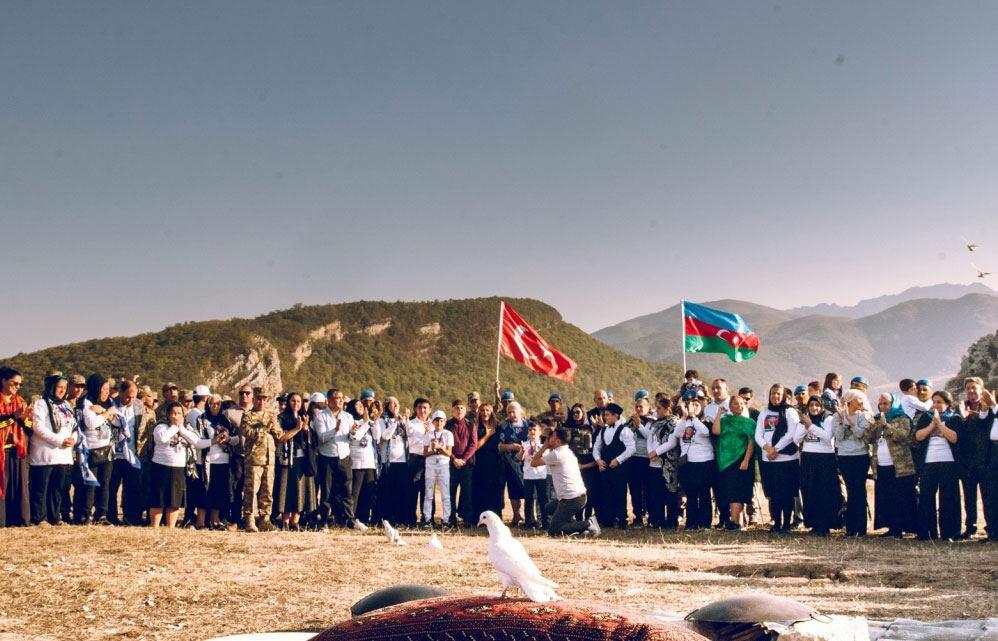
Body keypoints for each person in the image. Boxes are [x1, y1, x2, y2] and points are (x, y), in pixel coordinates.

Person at [150, 401, 214, 528]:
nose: (176, 416)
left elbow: (196, 442)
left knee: (174, 501)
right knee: (158, 499)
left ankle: (171, 527)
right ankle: (155, 526)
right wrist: (175, 427)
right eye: (173, 413)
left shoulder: (186, 428)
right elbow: (162, 439)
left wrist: (213, 441)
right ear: (168, 415)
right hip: (161, 466)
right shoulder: (161, 426)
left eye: (179, 413)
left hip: (179, 468)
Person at [863, 393, 917, 538]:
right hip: (881, 466)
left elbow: (903, 436)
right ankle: (891, 527)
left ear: (893, 403)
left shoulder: (903, 418)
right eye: (880, 404)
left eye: (886, 403)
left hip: (899, 466)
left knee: (899, 498)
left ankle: (899, 529)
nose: (882, 406)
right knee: (886, 498)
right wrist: (873, 425)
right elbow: (867, 438)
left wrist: (887, 425)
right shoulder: (877, 420)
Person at [531, 426, 599, 537]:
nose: (548, 438)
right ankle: (579, 527)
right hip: (576, 497)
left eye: (552, 436)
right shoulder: (567, 451)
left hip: (572, 499)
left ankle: (587, 524)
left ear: (557, 441)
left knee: (553, 530)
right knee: (550, 507)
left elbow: (533, 463)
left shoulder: (557, 454)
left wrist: (544, 447)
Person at [913, 391, 962, 541]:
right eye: (934, 402)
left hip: (948, 462)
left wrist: (940, 424)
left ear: (948, 403)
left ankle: (949, 533)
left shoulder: (954, 418)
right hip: (929, 462)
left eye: (939, 402)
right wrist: (931, 426)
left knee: (948, 497)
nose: (936, 405)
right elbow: (918, 436)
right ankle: (927, 532)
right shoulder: (926, 417)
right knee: (926, 496)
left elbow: (954, 438)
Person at [29, 373, 76, 526]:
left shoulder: (67, 405)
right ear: (51, 387)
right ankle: (39, 518)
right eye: (59, 387)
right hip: (45, 454)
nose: (62, 390)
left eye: (64, 387)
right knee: (41, 488)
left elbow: (74, 427)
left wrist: (73, 439)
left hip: (63, 454)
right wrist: (59, 440)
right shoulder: (41, 404)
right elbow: (38, 427)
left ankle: (54, 517)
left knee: (58, 488)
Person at [237, 387, 285, 532]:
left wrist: (274, 425)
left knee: (267, 491)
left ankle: (265, 519)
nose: (261, 402)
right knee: (251, 492)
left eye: (264, 399)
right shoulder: (248, 416)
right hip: (254, 460)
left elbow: (279, 435)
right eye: (259, 398)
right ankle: (249, 520)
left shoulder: (271, 415)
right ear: (254, 399)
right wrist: (265, 428)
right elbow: (248, 433)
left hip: (269, 461)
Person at [755, 384, 801, 533]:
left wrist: (776, 449)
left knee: (787, 493)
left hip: (787, 459)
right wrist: (768, 449)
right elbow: (758, 435)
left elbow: (791, 434)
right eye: (773, 393)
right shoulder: (764, 412)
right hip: (769, 459)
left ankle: (787, 524)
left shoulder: (790, 412)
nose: (775, 397)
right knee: (774, 494)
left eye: (778, 394)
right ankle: (776, 523)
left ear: (784, 396)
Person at [666, 395, 715, 530]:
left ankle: (705, 523)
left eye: (696, 405)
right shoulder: (684, 422)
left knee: (704, 494)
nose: (692, 408)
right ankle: (691, 523)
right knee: (691, 494)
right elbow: (676, 433)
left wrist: (694, 418)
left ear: (702, 407)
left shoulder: (706, 421)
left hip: (704, 461)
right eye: (690, 405)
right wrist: (684, 417)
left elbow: (705, 433)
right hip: (688, 463)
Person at [794, 396, 841, 536]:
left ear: (822, 406)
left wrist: (811, 426)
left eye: (817, 405)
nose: (814, 408)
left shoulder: (828, 419)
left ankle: (825, 525)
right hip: (808, 457)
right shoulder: (805, 420)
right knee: (809, 491)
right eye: (811, 405)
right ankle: (814, 524)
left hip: (825, 458)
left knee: (824, 492)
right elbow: (796, 439)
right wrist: (805, 425)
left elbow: (827, 437)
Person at [76, 374, 117, 525]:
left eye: (108, 389)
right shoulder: (86, 403)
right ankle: (84, 515)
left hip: (107, 448)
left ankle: (101, 515)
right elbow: (91, 423)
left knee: (105, 484)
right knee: (90, 484)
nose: (107, 392)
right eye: (104, 389)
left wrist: (106, 412)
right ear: (96, 388)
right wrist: (106, 413)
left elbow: (118, 422)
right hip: (91, 449)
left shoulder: (109, 402)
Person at [313, 389, 355, 528]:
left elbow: (351, 439)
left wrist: (353, 433)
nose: (341, 400)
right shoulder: (321, 416)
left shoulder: (348, 416)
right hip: (327, 458)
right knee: (326, 491)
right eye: (338, 398)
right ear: (329, 400)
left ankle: (348, 519)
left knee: (347, 490)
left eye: (342, 398)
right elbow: (322, 438)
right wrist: (335, 430)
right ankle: (323, 520)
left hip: (344, 456)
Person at [712, 395, 756, 530]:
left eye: (742, 403)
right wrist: (719, 413)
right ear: (730, 407)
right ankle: (734, 521)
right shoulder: (725, 421)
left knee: (737, 491)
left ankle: (735, 521)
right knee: (728, 491)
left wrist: (746, 460)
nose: (739, 406)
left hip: (741, 460)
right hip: (725, 460)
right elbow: (716, 431)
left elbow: (751, 442)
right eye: (735, 404)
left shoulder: (749, 422)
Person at [273, 392, 315, 531]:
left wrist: (305, 429)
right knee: (286, 489)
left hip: (302, 458)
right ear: (288, 402)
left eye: (298, 401)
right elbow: (281, 438)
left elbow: (311, 439)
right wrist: (297, 429)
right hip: (287, 458)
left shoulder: (305, 417)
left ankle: (295, 521)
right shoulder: (281, 418)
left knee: (300, 489)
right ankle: (284, 521)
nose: (296, 404)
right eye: (293, 401)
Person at [834, 389, 872, 537]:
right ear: (850, 401)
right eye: (858, 400)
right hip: (844, 457)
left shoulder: (864, 416)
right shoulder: (838, 416)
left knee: (859, 490)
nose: (861, 403)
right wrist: (843, 423)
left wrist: (851, 424)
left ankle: (861, 528)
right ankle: (850, 527)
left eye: (862, 400)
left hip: (860, 456)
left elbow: (861, 434)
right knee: (850, 490)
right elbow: (838, 437)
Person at [196, 394, 238, 530]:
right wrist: (214, 441)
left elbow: (236, 439)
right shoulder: (201, 419)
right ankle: (201, 521)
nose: (215, 406)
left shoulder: (226, 420)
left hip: (224, 460)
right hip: (207, 460)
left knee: (219, 492)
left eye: (218, 404)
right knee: (204, 490)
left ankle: (215, 520)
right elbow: (197, 442)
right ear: (207, 405)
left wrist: (228, 440)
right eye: (213, 403)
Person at [957, 377, 990, 539]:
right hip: (967, 461)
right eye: (968, 388)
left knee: (988, 497)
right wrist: (964, 415)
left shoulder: (989, 406)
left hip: (986, 461)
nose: (971, 390)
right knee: (969, 497)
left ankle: (991, 528)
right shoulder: (961, 407)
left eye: (974, 387)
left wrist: (972, 415)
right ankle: (971, 527)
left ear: (981, 389)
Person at [592, 402, 634, 529]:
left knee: (620, 494)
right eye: (605, 415)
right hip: (605, 467)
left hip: (619, 468)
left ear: (616, 416)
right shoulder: (603, 430)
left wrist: (618, 460)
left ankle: (622, 520)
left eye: (608, 415)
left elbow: (631, 448)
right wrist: (598, 460)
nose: (606, 418)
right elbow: (596, 447)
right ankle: (608, 520)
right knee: (607, 493)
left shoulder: (624, 430)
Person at [107, 380, 143, 526]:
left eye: (134, 396)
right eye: (128, 396)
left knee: (133, 488)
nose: (131, 399)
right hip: (114, 454)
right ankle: (111, 517)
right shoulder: (111, 404)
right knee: (112, 488)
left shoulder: (138, 405)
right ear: (120, 392)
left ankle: (131, 518)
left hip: (132, 455)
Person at [0, 367, 31, 527]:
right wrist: (14, 417)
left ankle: (18, 519)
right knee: (2, 485)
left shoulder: (20, 401)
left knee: (19, 485)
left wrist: (25, 419)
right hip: (2, 451)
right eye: (15, 383)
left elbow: (29, 428)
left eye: (20, 384)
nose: (18, 387)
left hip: (18, 450)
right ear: (4, 381)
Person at [646, 397, 680, 529]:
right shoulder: (655, 423)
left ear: (667, 409)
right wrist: (650, 452)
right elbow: (650, 438)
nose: (656, 410)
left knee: (670, 492)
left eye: (659, 408)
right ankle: (657, 519)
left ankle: (671, 521)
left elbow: (672, 442)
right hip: (654, 462)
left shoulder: (674, 422)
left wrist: (656, 452)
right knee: (656, 493)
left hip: (668, 463)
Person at [348, 397, 380, 527]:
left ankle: (364, 517)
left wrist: (375, 421)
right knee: (355, 492)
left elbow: (377, 437)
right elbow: (355, 437)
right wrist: (366, 422)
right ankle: (352, 517)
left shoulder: (366, 421)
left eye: (362, 405)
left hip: (370, 461)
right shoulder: (351, 420)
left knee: (368, 491)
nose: (361, 407)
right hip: (356, 461)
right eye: (357, 405)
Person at [377, 396, 409, 526]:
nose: (396, 406)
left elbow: (409, 435)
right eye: (393, 403)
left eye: (398, 403)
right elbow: (384, 436)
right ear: (386, 405)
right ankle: (387, 518)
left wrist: (404, 421)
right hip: (388, 461)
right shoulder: (381, 420)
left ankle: (399, 517)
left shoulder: (402, 420)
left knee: (400, 490)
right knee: (388, 490)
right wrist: (395, 421)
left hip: (402, 461)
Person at [564, 403, 599, 521]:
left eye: (578, 412)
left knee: (590, 493)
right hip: (574, 467)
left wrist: (584, 466)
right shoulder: (568, 428)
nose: (575, 415)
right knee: (578, 493)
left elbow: (596, 450)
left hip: (589, 467)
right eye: (573, 413)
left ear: (583, 413)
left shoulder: (591, 429)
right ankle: (578, 518)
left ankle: (588, 517)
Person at [498, 401, 530, 526]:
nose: (512, 414)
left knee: (529, 489)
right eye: (509, 412)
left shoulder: (529, 425)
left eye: (514, 411)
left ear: (520, 411)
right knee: (513, 489)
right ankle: (516, 515)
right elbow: (499, 446)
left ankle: (530, 517)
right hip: (510, 463)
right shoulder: (504, 426)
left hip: (528, 462)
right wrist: (511, 446)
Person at [446, 398, 477, 528]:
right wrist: (454, 459)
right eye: (457, 408)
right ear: (452, 410)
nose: (459, 410)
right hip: (450, 463)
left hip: (467, 464)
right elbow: (444, 444)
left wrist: (463, 460)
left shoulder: (470, 425)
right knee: (451, 492)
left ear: (465, 410)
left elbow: (473, 444)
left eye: (462, 408)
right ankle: (451, 518)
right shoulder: (447, 425)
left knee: (467, 492)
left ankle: (467, 519)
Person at [625, 391, 654, 526]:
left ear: (648, 408)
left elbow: (649, 436)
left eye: (642, 406)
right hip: (632, 458)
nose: (639, 409)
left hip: (646, 459)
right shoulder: (630, 421)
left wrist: (639, 425)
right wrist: (632, 426)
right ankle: (637, 516)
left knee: (647, 489)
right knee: (634, 489)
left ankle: (649, 515)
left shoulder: (652, 421)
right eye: (637, 406)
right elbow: (624, 435)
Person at [471, 403, 502, 523]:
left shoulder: (497, 427)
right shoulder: (475, 427)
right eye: (483, 410)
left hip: (495, 463)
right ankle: (478, 518)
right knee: (479, 489)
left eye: (488, 410)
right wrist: (487, 435)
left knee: (494, 490)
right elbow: (476, 446)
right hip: (480, 463)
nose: (485, 413)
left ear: (491, 412)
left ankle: (495, 519)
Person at [422, 410, 453, 528]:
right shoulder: (429, 434)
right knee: (428, 493)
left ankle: (446, 520)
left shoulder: (448, 434)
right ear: (433, 422)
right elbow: (425, 453)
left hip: (444, 465)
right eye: (436, 421)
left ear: (444, 422)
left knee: (445, 494)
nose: (439, 423)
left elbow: (449, 453)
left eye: (441, 420)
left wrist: (440, 447)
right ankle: (427, 519)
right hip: (430, 465)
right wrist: (433, 451)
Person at [405, 398, 432, 526]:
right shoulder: (411, 423)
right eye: (420, 407)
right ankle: (410, 518)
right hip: (415, 458)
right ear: (415, 409)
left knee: (428, 490)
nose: (423, 410)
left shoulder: (434, 423)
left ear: (429, 410)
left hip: (430, 459)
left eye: (425, 408)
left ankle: (427, 518)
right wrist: (424, 434)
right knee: (413, 489)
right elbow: (410, 442)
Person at [520, 422, 550, 529]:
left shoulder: (543, 445)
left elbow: (545, 459)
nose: (532, 432)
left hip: (541, 475)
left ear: (540, 432)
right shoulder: (525, 444)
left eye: (534, 430)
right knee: (528, 500)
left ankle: (545, 522)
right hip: (528, 475)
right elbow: (520, 458)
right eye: (530, 430)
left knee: (542, 499)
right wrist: (522, 452)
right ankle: (528, 522)